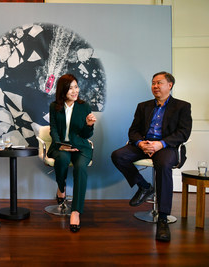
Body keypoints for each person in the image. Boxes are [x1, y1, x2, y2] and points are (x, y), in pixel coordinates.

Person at [111, 71, 192, 242]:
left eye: (159, 83)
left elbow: (183, 133)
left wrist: (160, 144)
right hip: (145, 144)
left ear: (169, 85)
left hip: (166, 146)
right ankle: (144, 186)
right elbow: (133, 131)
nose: (155, 86)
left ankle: (162, 218)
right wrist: (141, 143)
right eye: (153, 83)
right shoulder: (144, 106)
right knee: (118, 156)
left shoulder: (182, 106)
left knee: (163, 165)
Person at [48, 73, 96, 233]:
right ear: (63, 91)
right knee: (61, 158)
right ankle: (61, 188)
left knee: (80, 169)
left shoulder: (84, 106)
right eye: (70, 89)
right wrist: (59, 145)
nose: (74, 91)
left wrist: (89, 125)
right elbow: (53, 129)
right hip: (61, 146)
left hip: (81, 147)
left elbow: (86, 135)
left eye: (76, 87)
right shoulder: (55, 106)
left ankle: (75, 211)